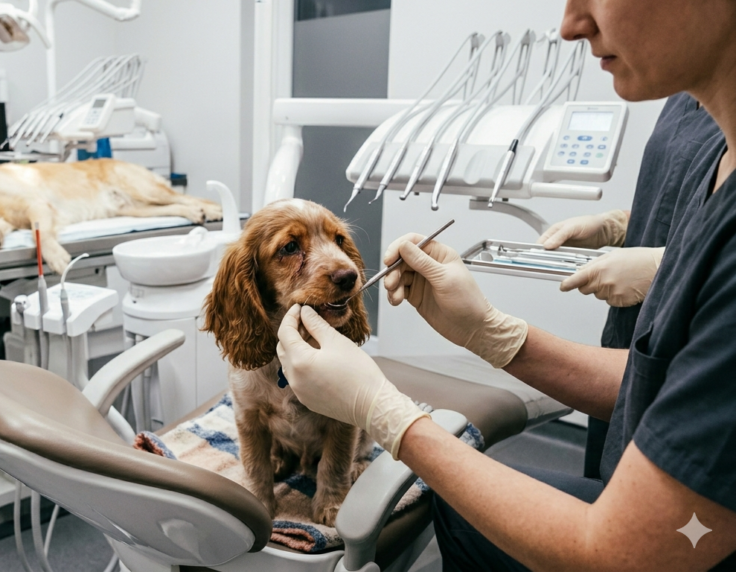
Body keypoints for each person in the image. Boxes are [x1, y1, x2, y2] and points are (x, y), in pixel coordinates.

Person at [275, 0, 736, 569]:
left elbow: (623, 553)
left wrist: (387, 415)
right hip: (643, 490)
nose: (570, 25)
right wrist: (492, 334)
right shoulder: (719, 160)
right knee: (459, 510)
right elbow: (674, 386)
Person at [539, 95, 720, 479]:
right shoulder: (683, 95)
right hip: (631, 327)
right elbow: (681, 193)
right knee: (607, 472)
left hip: (692, 335)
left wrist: (663, 266)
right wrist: (618, 224)